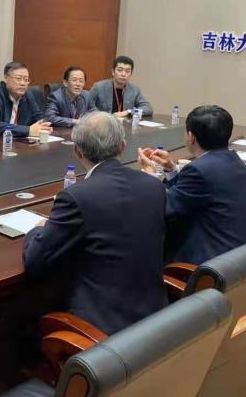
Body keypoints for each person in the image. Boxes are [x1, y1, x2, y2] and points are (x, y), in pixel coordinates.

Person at [23, 111, 167, 335]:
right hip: (156, 315)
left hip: (103, 326)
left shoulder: (77, 197)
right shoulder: (155, 186)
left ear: (77, 151)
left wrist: (36, 229)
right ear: (122, 147)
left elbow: (35, 261)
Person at [138, 105, 246, 265]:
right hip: (238, 254)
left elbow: (165, 207)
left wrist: (149, 174)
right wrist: (171, 169)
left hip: (209, 263)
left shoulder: (199, 170)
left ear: (191, 137)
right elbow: (189, 194)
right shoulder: (235, 160)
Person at [0, 61, 52, 137]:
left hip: (18, 139)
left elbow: (38, 116)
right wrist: (28, 130)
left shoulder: (27, 95)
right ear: (6, 78)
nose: (23, 83)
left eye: (26, 79)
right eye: (18, 79)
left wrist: (44, 125)